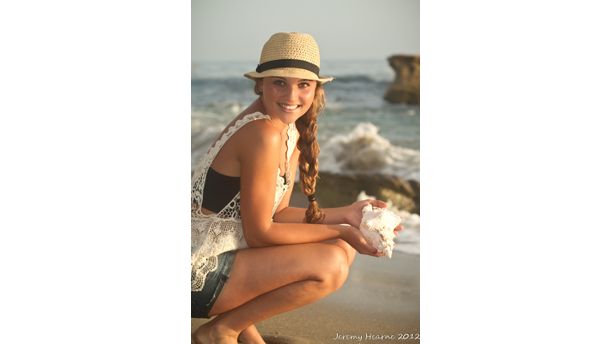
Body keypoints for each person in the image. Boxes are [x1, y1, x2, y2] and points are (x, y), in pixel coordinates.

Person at [191, 32, 401, 344]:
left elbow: (279, 214)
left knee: (340, 251)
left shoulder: (286, 130)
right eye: (279, 82)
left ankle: (238, 327)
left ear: (316, 88)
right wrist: (342, 230)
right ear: (260, 84)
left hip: (226, 256)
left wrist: (349, 215)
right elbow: (260, 233)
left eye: (303, 84)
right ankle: (221, 331)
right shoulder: (262, 133)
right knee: (330, 262)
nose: (291, 95)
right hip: (198, 269)